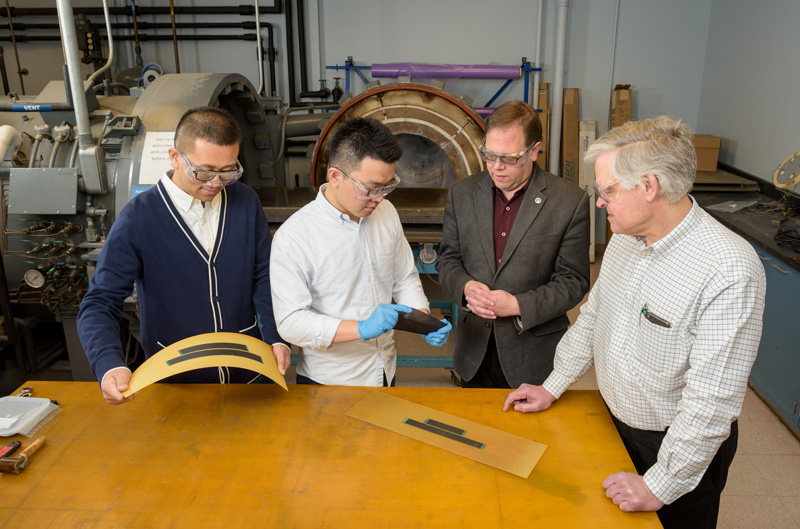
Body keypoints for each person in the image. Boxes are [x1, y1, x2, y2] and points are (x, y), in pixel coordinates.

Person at [503, 116, 766, 529]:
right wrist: (552, 385)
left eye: (607, 190)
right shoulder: (626, 237)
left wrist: (662, 484)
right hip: (613, 424)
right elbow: (594, 316)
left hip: (677, 445)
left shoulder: (728, 268)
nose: (599, 201)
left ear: (649, 187)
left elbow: (712, 402)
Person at [77, 106, 290, 405]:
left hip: (251, 376)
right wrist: (108, 363)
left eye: (228, 171)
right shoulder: (138, 219)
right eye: (203, 171)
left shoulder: (244, 201)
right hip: (178, 385)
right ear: (175, 157)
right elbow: (100, 302)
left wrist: (276, 336)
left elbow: (263, 275)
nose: (216, 183)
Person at [269, 117, 452, 387]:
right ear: (335, 176)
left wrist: (422, 318)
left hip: (385, 370)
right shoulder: (295, 237)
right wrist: (362, 328)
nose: (379, 198)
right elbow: (292, 322)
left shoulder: (386, 213)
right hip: (331, 380)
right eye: (370, 189)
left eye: (387, 186)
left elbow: (404, 277)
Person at [437, 100, 591, 389]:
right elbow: (448, 260)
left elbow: (574, 281)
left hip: (532, 354)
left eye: (509, 158)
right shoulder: (462, 193)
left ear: (534, 151)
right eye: (489, 155)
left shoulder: (569, 202)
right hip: (474, 351)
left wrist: (519, 304)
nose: (496, 167)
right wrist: (466, 287)